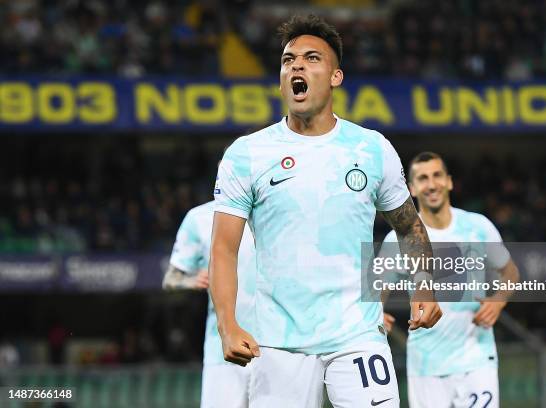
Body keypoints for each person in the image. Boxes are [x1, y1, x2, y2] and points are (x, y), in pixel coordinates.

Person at [210, 14, 441, 408]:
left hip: (356, 336)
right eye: (288, 60)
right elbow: (223, 249)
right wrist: (227, 325)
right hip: (278, 344)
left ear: (336, 77)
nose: (296, 65)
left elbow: (408, 227)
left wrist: (425, 285)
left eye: (311, 58)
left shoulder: (371, 148)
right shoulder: (246, 154)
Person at [383, 152, 520, 408]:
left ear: (449, 181)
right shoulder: (399, 238)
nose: (432, 184)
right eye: (423, 178)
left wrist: (498, 300)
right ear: (412, 188)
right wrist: (375, 311)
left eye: (437, 176)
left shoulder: (478, 226)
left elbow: (510, 272)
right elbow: (376, 286)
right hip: (427, 364)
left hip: (477, 358)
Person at [163, 201, 256, 408]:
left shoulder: (276, 208)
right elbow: (170, 278)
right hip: (222, 352)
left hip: (277, 346)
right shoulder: (199, 217)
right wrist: (190, 280)